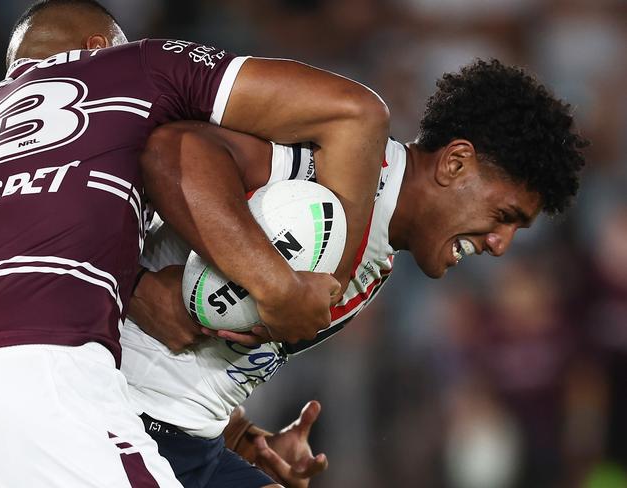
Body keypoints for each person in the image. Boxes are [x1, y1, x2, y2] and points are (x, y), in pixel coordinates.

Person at [0, 0, 389, 485]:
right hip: (53, 376)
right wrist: (301, 289)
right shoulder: (133, 65)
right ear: (98, 47)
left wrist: (234, 431)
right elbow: (356, 111)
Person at [124, 59, 588, 487]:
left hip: (194, 439)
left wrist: (248, 440)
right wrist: (273, 285)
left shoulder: (383, 245)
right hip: (124, 416)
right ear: (455, 163)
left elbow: (212, 350)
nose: (500, 244)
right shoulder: (345, 174)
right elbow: (174, 153)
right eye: (503, 215)